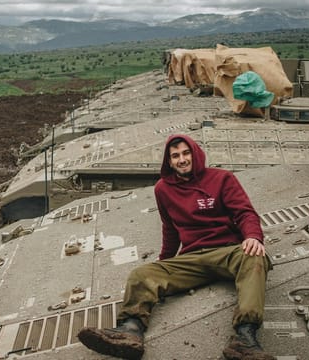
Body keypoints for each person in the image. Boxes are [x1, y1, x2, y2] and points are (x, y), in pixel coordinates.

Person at [77, 134, 274, 360]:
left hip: (227, 251)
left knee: (255, 257)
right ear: (169, 162)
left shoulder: (222, 179)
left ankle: (245, 338)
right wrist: (164, 263)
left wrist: (253, 237)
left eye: (186, 153)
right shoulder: (163, 189)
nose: (182, 159)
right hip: (192, 257)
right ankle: (130, 331)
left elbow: (245, 213)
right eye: (175, 156)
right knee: (142, 274)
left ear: (195, 154)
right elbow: (169, 228)